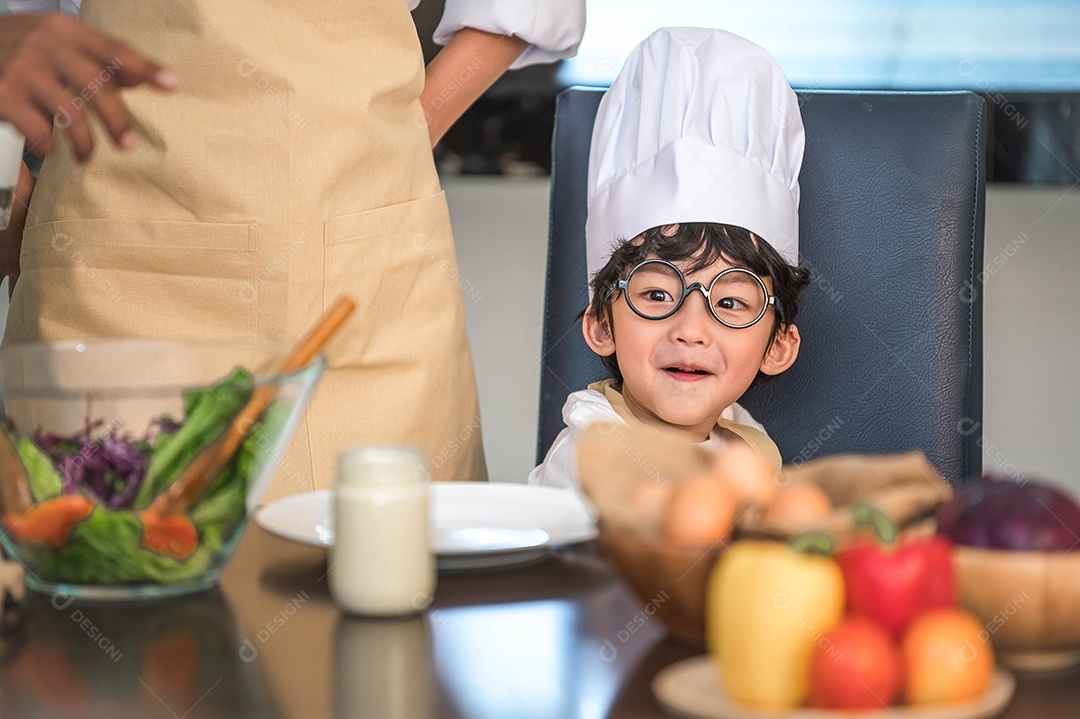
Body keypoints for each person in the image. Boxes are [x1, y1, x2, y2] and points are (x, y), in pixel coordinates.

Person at [0, 1, 586, 501]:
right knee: (94, 590)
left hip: (360, 276)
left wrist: (397, 143)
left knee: (377, 601)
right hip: (106, 252)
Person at [529, 27, 810, 489]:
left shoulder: (742, 439)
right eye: (658, 294)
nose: (691, 332)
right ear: (602, 324)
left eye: (731, 303)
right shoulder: (590, 459)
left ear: (778, 346)